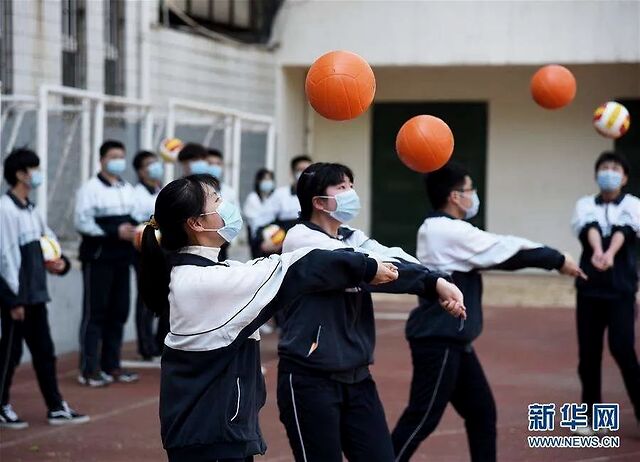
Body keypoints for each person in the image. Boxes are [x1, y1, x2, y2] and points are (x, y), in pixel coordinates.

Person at [137, 173, 399, 462]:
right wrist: (365, 266)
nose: (227, 205)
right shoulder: (205, 281)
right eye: (217, 200)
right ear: (196, 223)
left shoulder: (200, 272)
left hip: (209, 432)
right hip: (210, 435)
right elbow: (296, 267)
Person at [391, 162, 586, 462]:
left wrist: (554, 258)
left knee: (482, 412)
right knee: (422, 418)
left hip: (455, 341)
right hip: (440, 340)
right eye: (470, 189)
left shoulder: (446, 229)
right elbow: (505, 252)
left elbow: (502, 248)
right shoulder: (444, 230)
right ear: (455, 196)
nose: (474, 195)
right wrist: (556, 259)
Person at [277, 162, 466, 462]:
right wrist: (431, 284)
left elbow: (392, 256)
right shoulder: (301, 239)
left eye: (351, 186)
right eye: (341, 187)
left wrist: (436, 280)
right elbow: (362, 264)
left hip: (358, 376)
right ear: (319, 202)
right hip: (310, 379)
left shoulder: (350, 236)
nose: (351, 193)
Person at [0, 148, 89, 429]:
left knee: (44, 353)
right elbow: (4, 258)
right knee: (9, 354)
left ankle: (56, 407)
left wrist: (60, 264)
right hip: (16, 297)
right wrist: (12, 299)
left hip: (35, 295)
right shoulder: (5, 210)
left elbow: (47, 245)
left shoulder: (32, 210)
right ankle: (1, 405)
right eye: (34, 169)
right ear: (20, 174)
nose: (38, 174)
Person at [571, 151, 640, 434]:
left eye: (615, 168)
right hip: (589, 290)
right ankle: (590, 417)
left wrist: (610, 254)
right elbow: (589, 227)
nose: (609, 172)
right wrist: (599, 251)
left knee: (623, 349)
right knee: (589, 355)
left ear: (624, 177)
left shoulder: (634, 204)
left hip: (621, 290)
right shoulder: (585, 204)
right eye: (604, 168)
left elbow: (626, 229)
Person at [74, 140, 139, 387]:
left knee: (119, 312)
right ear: (101, 160)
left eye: (121, 156)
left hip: (123, 258)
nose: (118, 161)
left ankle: (112, 365)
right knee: (95, 313)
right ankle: (89, 368)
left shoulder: (127, 188)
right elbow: (82, 222)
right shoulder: (89, 189)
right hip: (99, 257)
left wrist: (134, 229)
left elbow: (135, 216)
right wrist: (114, 231)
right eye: (113, 156)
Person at [131, 150, 164, 360]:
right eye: (149, 164)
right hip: (144, 250)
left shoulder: (161, 190)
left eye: (156, 162)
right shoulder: (136, 194)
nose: (155, 167)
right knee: (146, 296)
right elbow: (137, 222)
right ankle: (146, 346)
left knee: (164, 296)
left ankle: (160, 343)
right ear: (140, 171)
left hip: (163, 250)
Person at [253, 155, 313, 234]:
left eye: (308, 170)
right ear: (292, 172)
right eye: (300, 170)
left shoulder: (319, 195)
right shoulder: (280, 195)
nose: (304, 173)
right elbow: (263, 221)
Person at [205, 148, 239, 261]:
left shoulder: (230, 192)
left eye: (218, 164)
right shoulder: (198, 189)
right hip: (203, 240)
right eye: (210, 164)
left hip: (223, 241)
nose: (214, 167)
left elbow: (235, 215)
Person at [243, 168, 276, 259]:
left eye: (269, 179)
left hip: (274, 238)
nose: (267, 182)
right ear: (258, 181)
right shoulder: (252, 198)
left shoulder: (274, 198)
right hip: (257, 238)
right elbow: (253, 220)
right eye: (264, 179)